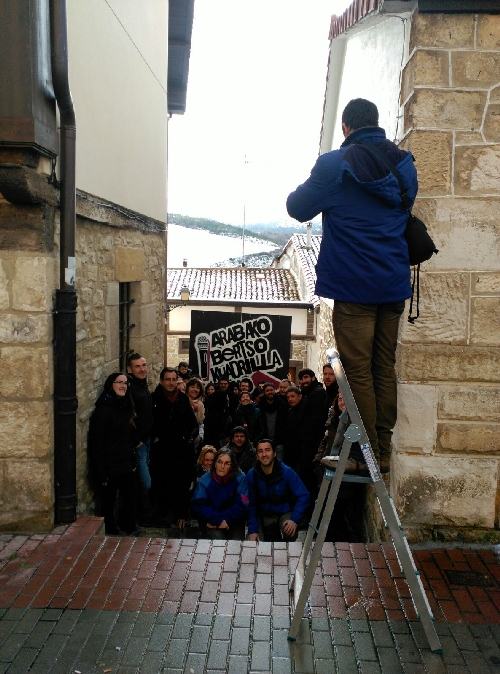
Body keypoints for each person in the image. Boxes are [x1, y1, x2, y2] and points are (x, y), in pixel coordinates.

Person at [287, 98, 418, 474]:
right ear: (375, 123)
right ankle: (383, 448)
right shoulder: (404, 163)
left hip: (354, 285)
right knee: (383, 366)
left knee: (358, 371)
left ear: (346, 128)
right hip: (393, 282)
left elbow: (297, 207)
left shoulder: (335, 164)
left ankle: (368, 455)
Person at [88, 373, 139, 535]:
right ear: (111, 385)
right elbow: (98, 443)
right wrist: (101, 473)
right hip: (109, 466)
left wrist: (132, 461)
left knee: (131, 496)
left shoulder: (124, 406)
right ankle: (111, 531)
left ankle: (128, 527)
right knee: (108, 502)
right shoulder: (103, 410)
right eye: (120, 383)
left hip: (124, 463)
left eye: (126, 383)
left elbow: (127, 438)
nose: (123, 386)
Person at [150, 367, 198, 530]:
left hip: (180, 450)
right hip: (161, 451)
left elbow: (193, 424)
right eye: (167, 379)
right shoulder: (154, 399)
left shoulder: (182, 399)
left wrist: (189, 437)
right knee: (162, 482)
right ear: (161, 381)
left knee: (181, 482)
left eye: (173, 379)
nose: (171, 383)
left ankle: (180, 514)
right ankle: (163, 515)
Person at [247, 439, 310, 542]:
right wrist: (253, 530)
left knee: (289, 531)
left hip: (284, 512)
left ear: (274, 453)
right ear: (257, 456)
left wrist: (294, 519)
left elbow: (303, 495)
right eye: (260, 451)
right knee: (254, 542)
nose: (264, 454)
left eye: (267, 450)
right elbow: (251, 504)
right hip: (262, 514)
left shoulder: (286, 472)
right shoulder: (252, 475)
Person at [191, 448, 249, 540]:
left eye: (227, 463)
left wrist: (224, 519)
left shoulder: (240, 477)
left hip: (234, 519)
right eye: (219, 462)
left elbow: (243, 503)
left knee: (236, 544)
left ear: (232, 466)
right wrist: (218, 520)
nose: (222, 466)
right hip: (211, 519)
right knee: (218, 540)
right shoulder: (205, 480)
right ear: (215, 463)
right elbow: (199, 504)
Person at [126, 353, 154, 526]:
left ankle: (144, 515)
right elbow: (126, 417)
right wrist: (136, 440)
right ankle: (142, 516)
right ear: (129, 369)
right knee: (145, 482)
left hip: (146, 441)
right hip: (139, 444)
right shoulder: (130, 389)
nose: (142, 369)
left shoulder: (143, 385)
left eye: (143, 365)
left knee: (144, 480)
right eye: (137, 366)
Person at [297, 368, 327, 499]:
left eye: (306, 377)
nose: (304, 381)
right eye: (302, 378)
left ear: (313, 378)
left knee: (308, 475)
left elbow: (315, 420)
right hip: (308, 442)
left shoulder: (317, 393)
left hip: (313, 443)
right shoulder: (309, 393)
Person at [258, 382, 287, 461]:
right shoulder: (260, 407)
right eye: (267, 390)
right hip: (264, 442)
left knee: (279, 464)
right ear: (264, 392)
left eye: (271, 390)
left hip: (279, 442)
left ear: (274, 390)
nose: (270, 392)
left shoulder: (282, 405)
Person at [283, 386, 304, 470]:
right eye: (288, 397)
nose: (290, 399)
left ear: (299, 396)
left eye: (292, 396)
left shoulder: (304, 411)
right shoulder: (290, 411)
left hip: (301, 449)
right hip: (290, 448)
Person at [186, 377, 205, 456]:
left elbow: (201, 423)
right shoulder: (183, 401)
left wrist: (200, 437)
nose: (195, 390)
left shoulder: (201, 404)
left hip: (196, 441)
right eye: (192, 387)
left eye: (198, 388)